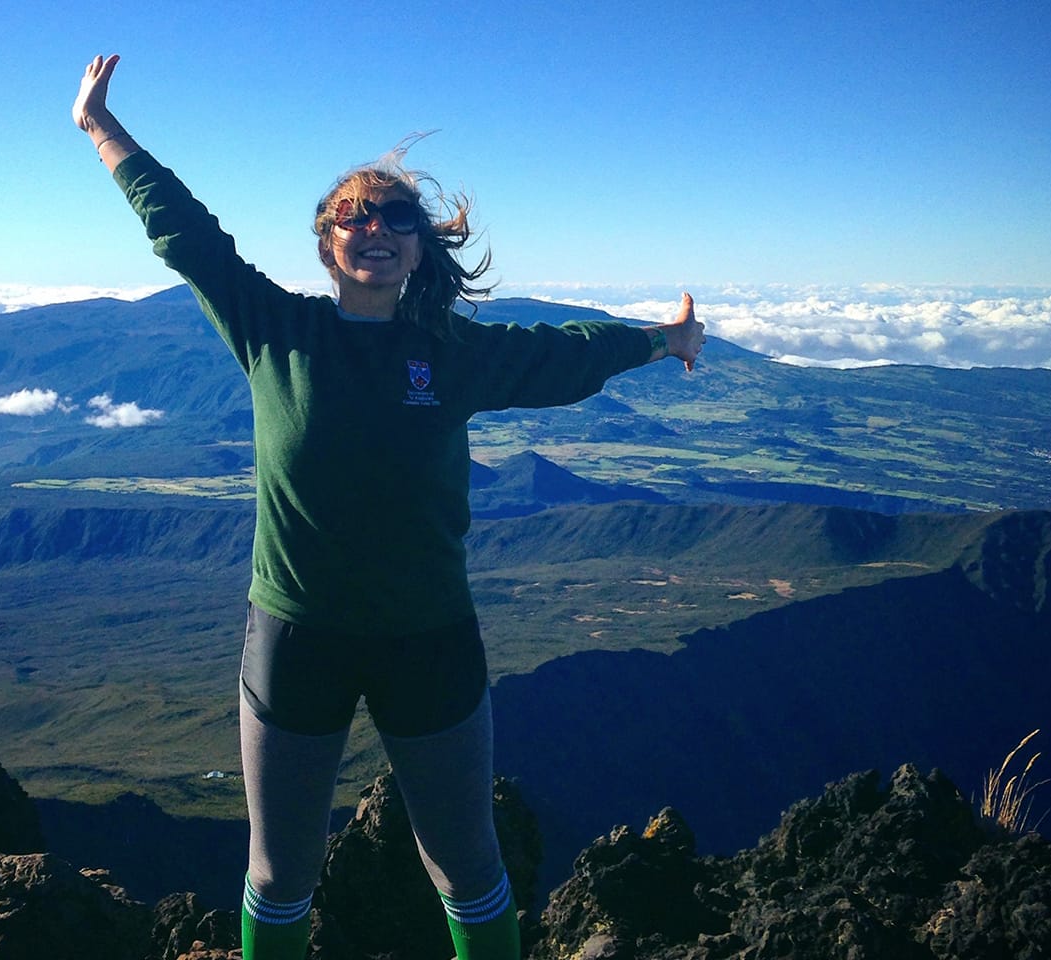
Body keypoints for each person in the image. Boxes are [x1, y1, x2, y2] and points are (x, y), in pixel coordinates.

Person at [72, 52, 704, 960]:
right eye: (353, 217)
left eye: (396, 218)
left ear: (419, 246)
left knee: (467, 866)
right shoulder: (274, 330)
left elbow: (559, 356)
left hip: (429, 639)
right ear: (327, 242)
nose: (375, 228)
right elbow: (186, 233)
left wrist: (663, 339)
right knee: (279, 874)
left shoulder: (448, 352)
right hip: (297, 638)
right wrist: (99, 125)